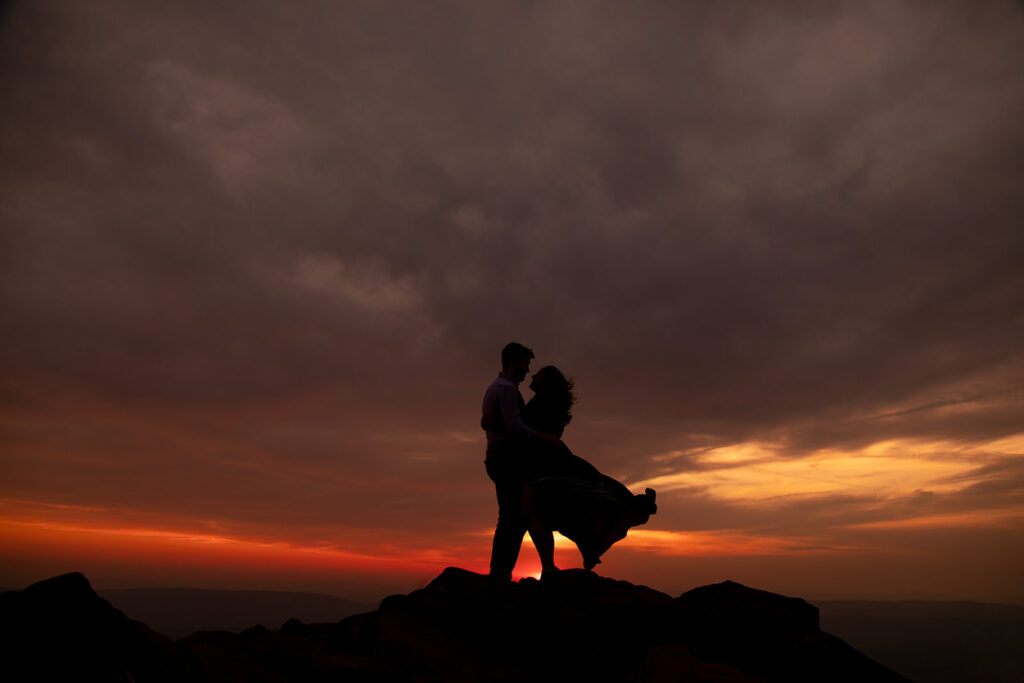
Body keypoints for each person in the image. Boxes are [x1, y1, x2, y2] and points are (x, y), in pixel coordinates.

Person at [521, 366, 657, 573]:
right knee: (547, 511)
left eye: (538, 374)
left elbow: (536, 433)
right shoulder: (546, 403)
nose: (533, 376)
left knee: (541, 512)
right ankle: (553, 564)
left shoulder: (545, 404)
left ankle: (551, 565)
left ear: (547, 381)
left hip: (544, 463)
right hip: (544, 462)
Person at [480, 342, 560, 581]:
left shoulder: (503, 388)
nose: (527, 369)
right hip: (505, 459)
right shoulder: (506, 389)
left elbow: (499, 422)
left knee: (513, 517)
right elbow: (515, 428)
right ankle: (500, 573)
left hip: (502, 458)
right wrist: (545, 439)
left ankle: (501, 572)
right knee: (511, 518)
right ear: (515, 361)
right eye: (526, 364)